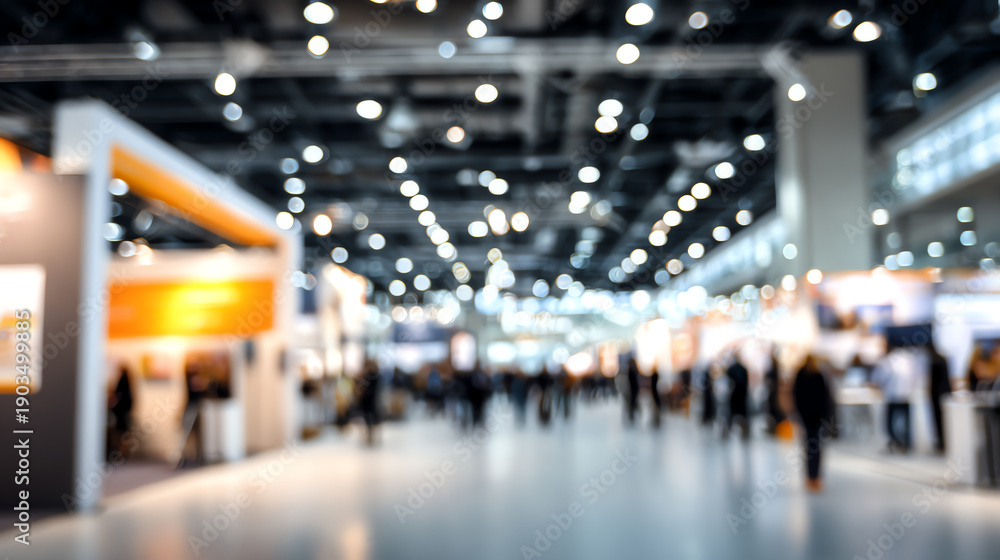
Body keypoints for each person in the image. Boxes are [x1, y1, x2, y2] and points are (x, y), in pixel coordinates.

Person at [872, 343, 921, 453]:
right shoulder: (909, 360)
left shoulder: (887, 361)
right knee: (906, 422)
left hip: (893, 396)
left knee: (889, 423)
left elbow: (880, 378)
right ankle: (905, 445)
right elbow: (915, 377)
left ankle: (896, 442)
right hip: (906, 395)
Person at [793, 355, 832, 492]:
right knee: (816, 446)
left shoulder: (801, 374)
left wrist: (799, 412)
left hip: (806, 415)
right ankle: (815, 478)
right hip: (817, 416)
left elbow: (796, 394)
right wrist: (826, 416)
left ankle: (810, 478)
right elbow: (826, 397)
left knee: (808, 446)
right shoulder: (818, 375)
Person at [929, 344, 952, 452]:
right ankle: (943, 442)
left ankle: (942, 442)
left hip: (937, 395)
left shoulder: (934, 360)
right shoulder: (940, 359)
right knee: (943, 419)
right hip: (943, 393)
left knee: (940, 419)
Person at [725, 352, 750, 439]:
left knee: (733, 412)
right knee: (741, 413)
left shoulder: (731, 369)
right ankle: (744, 430)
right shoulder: (742, 369)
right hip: (741, 394)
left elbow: (728, 383)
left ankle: (730, 429)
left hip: (735, 394)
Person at [358, 359, 381, 446]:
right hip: (367, 400)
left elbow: (370, 389)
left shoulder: (373, 376)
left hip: (370, 399)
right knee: (368, 418)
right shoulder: (369, 375)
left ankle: (371, 436)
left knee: (372, 418)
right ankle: (370, 436)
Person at [764, 352, 786, 435]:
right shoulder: (775, 372)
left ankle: (776, 428)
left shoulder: (774, 372)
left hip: (775, 396)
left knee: (775, 412)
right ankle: (775, 428)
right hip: (774, 395)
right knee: (774, 412)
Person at [626, 358, 640, 425]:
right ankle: (632, 416)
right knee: (633, 403)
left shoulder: (632, 371)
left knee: (632, 403)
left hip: (632, 389)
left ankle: (632, 416)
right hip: (633, 389)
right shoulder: (634, 370)